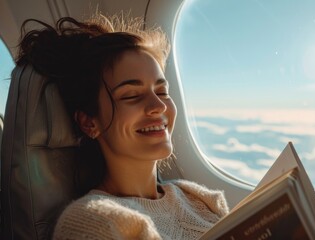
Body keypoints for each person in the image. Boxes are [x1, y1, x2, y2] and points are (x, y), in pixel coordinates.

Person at [17, 14, 229, 239]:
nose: (158, 106)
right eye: (132, 95)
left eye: (162, 92)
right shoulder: (93, 221)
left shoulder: (201, 199)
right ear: (89, 123)